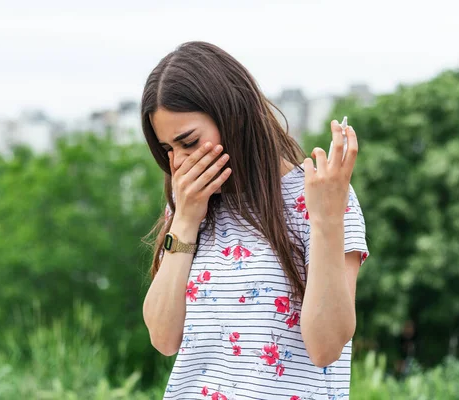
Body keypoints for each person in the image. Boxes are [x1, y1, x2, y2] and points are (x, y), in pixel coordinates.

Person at [141, 41, 369, 400]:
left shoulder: (319, 196)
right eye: (169, 149)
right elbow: (163, 338)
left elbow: (326, 347)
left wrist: (325, 220)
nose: (180, 163)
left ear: (232, 115)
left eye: (189, 142)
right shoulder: (190, 205)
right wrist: (184, 220)